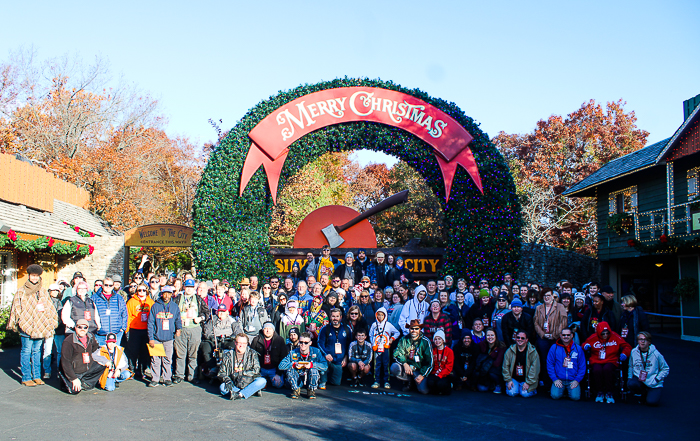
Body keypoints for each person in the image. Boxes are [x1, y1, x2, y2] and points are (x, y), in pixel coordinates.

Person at [7, 264, 58, 386]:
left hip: (40, 327)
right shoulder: (21, 291)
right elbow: (16, 308)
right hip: (26, 326)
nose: (34, 278)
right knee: (26, 351)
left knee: (37, 352)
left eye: (36, 276)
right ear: (29, 276)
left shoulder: (43, 291)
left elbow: (49, 308)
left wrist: (52, 322)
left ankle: (36, 376)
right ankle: (26, 377)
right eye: (32, 275)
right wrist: (16, 322)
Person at [583, 321, 632, 403]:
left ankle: (609, 392)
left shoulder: (615, 336)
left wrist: (624, 353)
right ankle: (599, 391)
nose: (605, 335)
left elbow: (627, 346)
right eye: (603, 333)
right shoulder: (593, 337)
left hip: (611, 359)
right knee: (597, 370)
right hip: (596, 359)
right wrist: (586, 346)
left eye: (607, 333)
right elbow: (584, 344)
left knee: (607, 369)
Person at [172, 278, 208, 384]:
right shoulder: (178, 298)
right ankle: (179, 375)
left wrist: (200, 318)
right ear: (184, 287)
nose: (189, 289)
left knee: (193, 354)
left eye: (191, 287)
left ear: (194, 288)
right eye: (187, 287)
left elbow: (206, 313)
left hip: (194, 328)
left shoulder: (198, 299)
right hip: (181, 328)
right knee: (180, 353)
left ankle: (192, 375)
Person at [147, 286, 182, 387]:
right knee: (155, 359)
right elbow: (150, 323)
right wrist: (151, 338)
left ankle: (167, 378)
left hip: (169, 338)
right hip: (157, 337)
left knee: (167, 359)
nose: (166, 296)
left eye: (169, 293)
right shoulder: (155, 306)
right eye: (165, 293)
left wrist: (178, 328)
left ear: (172, 294)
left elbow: (177, 319)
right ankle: (155, 379)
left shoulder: (174, 307)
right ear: (162, 294)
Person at [59, 318, 104, 394]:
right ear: (75, 328)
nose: (82, 329)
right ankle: (67, 382)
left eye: (85, 327)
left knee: (103, 364)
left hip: (86, 367)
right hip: (73, 371)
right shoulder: (68, 341)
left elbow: (95, 348)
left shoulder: (91, 337)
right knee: (75, 391)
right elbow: (65, 362)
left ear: (87, 329)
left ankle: (85, 381)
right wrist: (73, 378)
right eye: (80, 327)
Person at [279, 332, 329, 399]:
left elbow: (325, 366)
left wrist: (312, 365)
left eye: (306, 343)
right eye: (301, 342)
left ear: (310, 343)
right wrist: (294, 364)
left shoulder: (316, 352)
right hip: (297, 378)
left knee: (314, 370)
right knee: (290, 370)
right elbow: (281, 365)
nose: (303, 344)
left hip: (309, 378)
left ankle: (311, 390)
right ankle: (296, 390)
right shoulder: (293, 352)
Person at [217, 333, 266, 400]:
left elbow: (256, 369)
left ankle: (239, 394)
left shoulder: (252, 353)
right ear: (235, 343)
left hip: (249, 381)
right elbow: (221, 372)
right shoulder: (228, 355)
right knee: (222, 387)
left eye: (244, 343)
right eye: (239, 343)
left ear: (247, 344)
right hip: (234, 382)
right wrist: (226, 379)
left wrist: (242, 373)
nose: (241, 345)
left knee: (262, 381)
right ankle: (249, 392)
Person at [533, 288, 568, 382]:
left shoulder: (560, 307)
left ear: (553, 296)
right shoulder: (538, 308)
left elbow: (563, 322)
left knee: (555, 359)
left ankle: (556, 380)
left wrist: (554, 334)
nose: (546, 297)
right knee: (544, 359)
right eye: (544, 296)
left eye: (548, 295)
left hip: (555, 338)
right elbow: (535, 323)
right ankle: (545, 381)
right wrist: (543, 334)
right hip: (543, 338)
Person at [391, 319, 433, 394]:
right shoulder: (403, 339)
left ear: (420, 329)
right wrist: (404, 363)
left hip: (419, 369)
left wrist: (422, 375)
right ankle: (408, 382)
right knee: (394, 367)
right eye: (412, 328)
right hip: (407, 368)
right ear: (409, 329)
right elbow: (396, 354)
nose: (414, 330)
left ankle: (415, 382)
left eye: (416, 328)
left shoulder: (425, 341)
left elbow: (430, 362)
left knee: (424, 391)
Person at [628, 332, 669, 406]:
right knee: (631, 384)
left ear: (649, 342)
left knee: (652, 402)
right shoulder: (634, 352)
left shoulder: (656, 354)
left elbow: (665, 368)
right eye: (640, 339)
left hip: (653, 382)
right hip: (640, 379)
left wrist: (657, 379)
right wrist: (630, 377)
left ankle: (650, 393)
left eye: (645, 340)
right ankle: (643, 393)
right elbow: (630, 366)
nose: (642, 342)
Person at [201, 304, 243, 376]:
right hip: (215, 340)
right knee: (206, 346)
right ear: (217, 312)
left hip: (228, 339)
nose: (221, 313)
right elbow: (206, 332)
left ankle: (230, 367)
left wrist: (233, 337)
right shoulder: (212, 320)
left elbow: (238, 332)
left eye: (223, 312)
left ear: (227, 312)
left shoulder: (232, 320)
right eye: (220, 311)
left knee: (234, 348)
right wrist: (211, 337)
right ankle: (213, 367)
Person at [547, 327, 585, 401]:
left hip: (572, 379)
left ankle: (568, 391)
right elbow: (550, 364)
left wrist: (577, 380)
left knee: (575, 397)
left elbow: (582, 366)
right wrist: (554, 379)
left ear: (572, 335)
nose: (566, 337)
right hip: (559, 379)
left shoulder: (578, 349)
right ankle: (563, 391)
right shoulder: (554, 348)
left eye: (568, 335)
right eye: (564, 335)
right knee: (555, 396)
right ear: (560, 336)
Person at [125, 282, 155, 379]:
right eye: (139, 290)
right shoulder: (131, 302)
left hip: (146, 330)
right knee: (133, 351)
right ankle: (132, 370)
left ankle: (141, 371)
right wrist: (127, 330)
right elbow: (128, 316)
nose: (141, 292)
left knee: (144, 352)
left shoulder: (151, 302)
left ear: (147, 291)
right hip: (134, 330)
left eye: (143, 290)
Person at [317, 308, 351, 389]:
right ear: (330, 317)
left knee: (336, 383)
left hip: (339, 360)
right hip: (327, 357)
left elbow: (349, 344)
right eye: (333, 316)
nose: (335, 318)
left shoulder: (346, 328)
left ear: (341, 317)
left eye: (337, 316)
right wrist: (326, 354)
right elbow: (320, 343)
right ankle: (323, 380)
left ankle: (328, 375)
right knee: (322, 361)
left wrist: (346, 357)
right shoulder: (325, 328)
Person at [369, 307, 400, 389]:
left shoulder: (388, 325)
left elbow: (397, 332)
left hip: (385, 347)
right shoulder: (374, 325)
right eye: (378, 315)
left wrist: (391, 339)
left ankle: (387, 381)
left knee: (386, 364)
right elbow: (370, 334)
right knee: (377, 364)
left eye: (382, 315)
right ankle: (377, 381)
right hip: (377, 347)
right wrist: (373, 344)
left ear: (385, 315)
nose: (380, 317)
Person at [251, 322, 289, 389]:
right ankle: (265, 380)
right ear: (263, 330)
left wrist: (278, 374)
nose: (268, 331)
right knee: (257, 385)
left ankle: (269, 380)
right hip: (261, 369)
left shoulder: (279, 340)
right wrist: (256, 371)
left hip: (274, 369)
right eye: (266, 328)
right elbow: (251, 356)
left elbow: (283, 357)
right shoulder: (256, 340)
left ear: (273, 330)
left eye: (270, 329)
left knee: (278, 384)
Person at [503, 330, 540, 398]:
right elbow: (505, 367)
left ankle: (532, 390)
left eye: (522, 338)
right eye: (518, 337)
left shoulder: (533, 352)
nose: (520, 339)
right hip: (514, 379)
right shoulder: (510, 350)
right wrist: (508, 380)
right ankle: (518, 388)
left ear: (526, 340)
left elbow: (535, 369)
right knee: (512, 393)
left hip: (526, 379)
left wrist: (528, 382)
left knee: (525, 394)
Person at [93, 277, 128, 346]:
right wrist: (95, 328)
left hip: (116, 333)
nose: (108, 287)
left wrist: (123, 327)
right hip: (101, 333)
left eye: (110, 285)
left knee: (115, 354)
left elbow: (124, 313)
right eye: (106, 285)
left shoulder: (119, 298)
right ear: (102, 285)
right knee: (102, 355)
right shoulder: (95, 298)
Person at [44, 283, 66, 379]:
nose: (55, 292)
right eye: (53, 290)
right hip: (48, 329)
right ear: (49, 291)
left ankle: (59, 370)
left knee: (60, 351)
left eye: (57, 290)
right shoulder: (45, 302)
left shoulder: (60, 302)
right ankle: (47, 371)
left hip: (59, 329)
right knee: (47, 351)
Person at [475, 328, 506, 393]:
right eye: (488, 335)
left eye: (492, 335)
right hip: (484, 371)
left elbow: (497, 363)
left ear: (496, 336)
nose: (490, 337)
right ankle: (489, 384)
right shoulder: (481, 345)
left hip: (496, 370)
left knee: (491, 373)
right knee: (482, 389)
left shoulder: (501, 346)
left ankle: (498, 384)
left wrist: (487, 361)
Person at [427, 330, 454, 395]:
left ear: (443, 340)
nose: (437, 341)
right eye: (435, 339)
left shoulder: (449, 351)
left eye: (439, 339)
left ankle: (449, 386)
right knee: (430, 383)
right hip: (434, 373)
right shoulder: (433, 350)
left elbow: (449, 367)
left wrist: (440, 375)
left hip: (445, 373)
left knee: (441, 384)